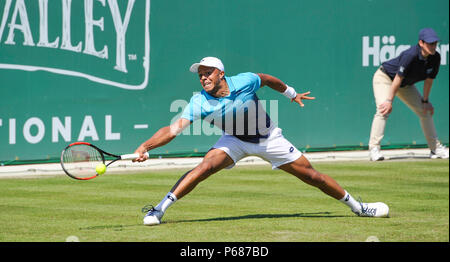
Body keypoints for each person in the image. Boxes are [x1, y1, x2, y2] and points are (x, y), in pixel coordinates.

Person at [134, 56, 389, 226]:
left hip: (269, 138)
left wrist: (291, 93)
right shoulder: (199, 101)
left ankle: (359, 207)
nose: (203, 78)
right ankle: (158, 209)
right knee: (204, 167)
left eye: (207, 72)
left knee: (313, 176)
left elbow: (266, 79)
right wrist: (146, 146)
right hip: (234, 139)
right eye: (200, 75)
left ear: (221, 73)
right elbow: (173, 129)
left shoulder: (245, 80)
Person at [368, 28, 449, 161]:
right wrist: (389, 100)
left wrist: (425, 101)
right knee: (383, 109)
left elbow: (429, 81)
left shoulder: (436, 57)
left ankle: (435, 149)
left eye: (435, 43)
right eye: (430, 43)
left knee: (425, 111)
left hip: (404, 85)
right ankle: (374, 149)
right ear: (421, 43)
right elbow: (397, 79)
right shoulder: (410, 55)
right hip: (385, 78)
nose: (433, 46)